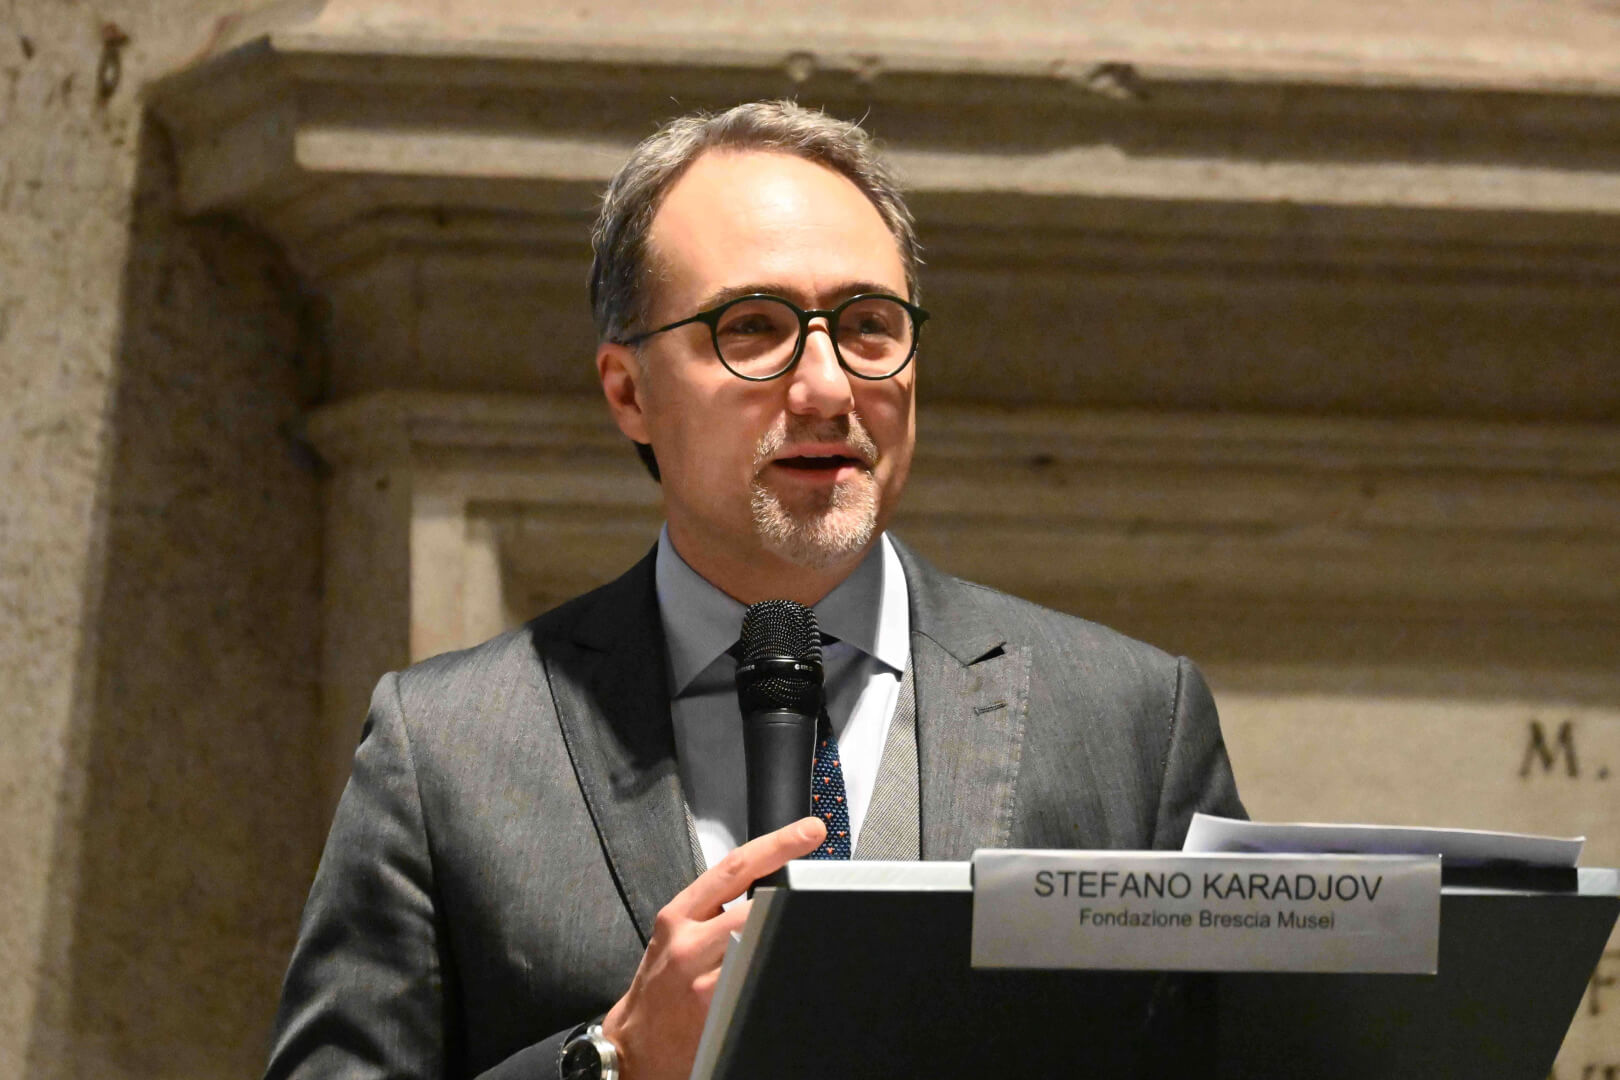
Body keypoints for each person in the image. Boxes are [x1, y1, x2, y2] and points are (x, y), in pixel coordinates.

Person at [263, 100, 1244, 1080]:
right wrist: (611, 1059)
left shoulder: (1129, 721)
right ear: (629, 392)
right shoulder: (445, 748)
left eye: (869, 326)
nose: (826, 389)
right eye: (754, 329)